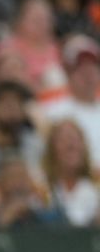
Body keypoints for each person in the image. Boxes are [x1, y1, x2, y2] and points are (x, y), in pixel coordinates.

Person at [44, 34, 100, 169]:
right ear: (67, 73)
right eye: (80, 67)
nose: (88, 73)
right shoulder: (52, 111)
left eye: (93, 66)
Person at [42, 120, 100, 227]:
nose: (71, 145)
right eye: (63, 140)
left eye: (75, 139)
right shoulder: (40, 186)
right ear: (51, 148)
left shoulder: (96, 185)